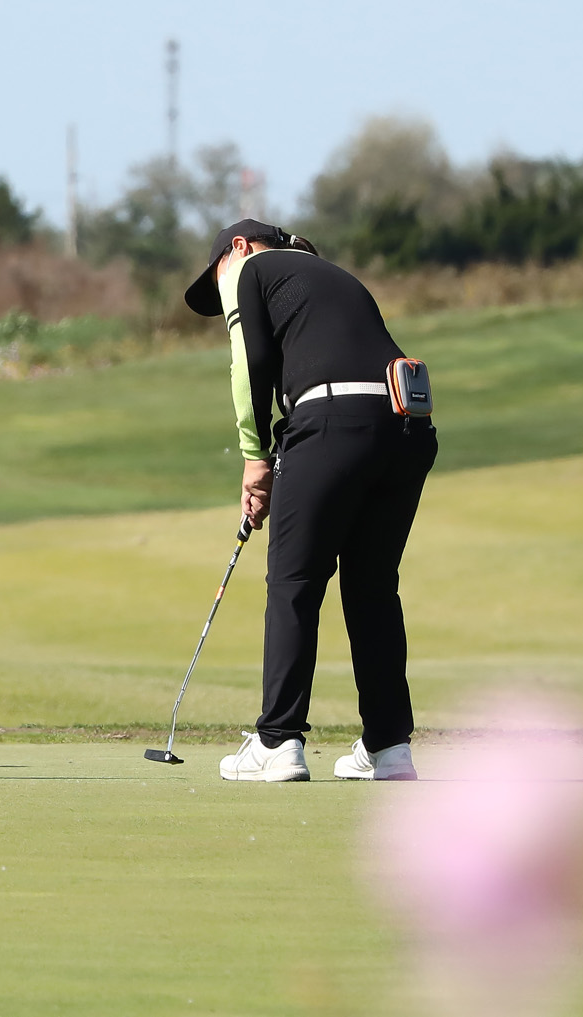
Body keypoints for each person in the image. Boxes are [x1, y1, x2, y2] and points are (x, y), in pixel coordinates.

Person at [182, 219, 437, 783]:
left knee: (295, 583)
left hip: (330, 423)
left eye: (218, 271)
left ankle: (278, 741)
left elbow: (248, 367)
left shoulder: (251, 270)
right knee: (372, 590)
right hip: (406, 428)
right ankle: (390, 748)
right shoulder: (330, 276)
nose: (222, 287)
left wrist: (255, 457)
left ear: (240, 249)